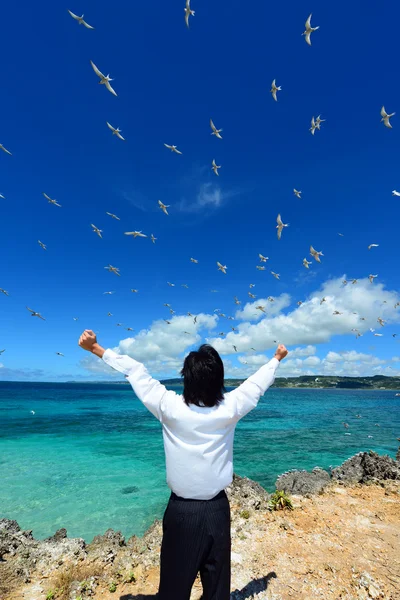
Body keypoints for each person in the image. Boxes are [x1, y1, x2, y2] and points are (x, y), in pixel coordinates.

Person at [78, 329, 288, 600]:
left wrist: (96, 348)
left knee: (174, 590)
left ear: (185, 379)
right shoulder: (230, 408)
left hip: (182, 513)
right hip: (217, 510)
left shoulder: (169, 408)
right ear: (219, 380)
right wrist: (276, 359)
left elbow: (136, 372)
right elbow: (256, 384)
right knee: (216, 587)